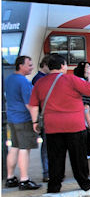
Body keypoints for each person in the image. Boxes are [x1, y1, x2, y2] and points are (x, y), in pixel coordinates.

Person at [28, 54, 90, 193]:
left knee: (55, 158)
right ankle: (85, 184)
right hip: (75, 125)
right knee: (78, 157)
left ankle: (54, 186)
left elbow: (33, 105)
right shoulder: (71, 79)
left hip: (52, 126)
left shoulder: (40, 82)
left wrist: (35, 122)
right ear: (62, 66)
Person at [4, 55, 41, 190]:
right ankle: (24, 180)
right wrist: (35, 121)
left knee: (14, 148)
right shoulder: (23, 82)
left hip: (12, 118)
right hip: (24, 119)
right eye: (29, 65)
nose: (32, 67)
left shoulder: (9, 79)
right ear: (21, 66)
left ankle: (10, 178)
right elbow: (30, 104)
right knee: (25, 149)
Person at [32, 55, 51, 183]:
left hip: (46, 115)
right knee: (47, 145)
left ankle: (49, 171)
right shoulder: (39, 79)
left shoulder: (40, 78)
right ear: (45, 65)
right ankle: (47, 172)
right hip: (45, 115)